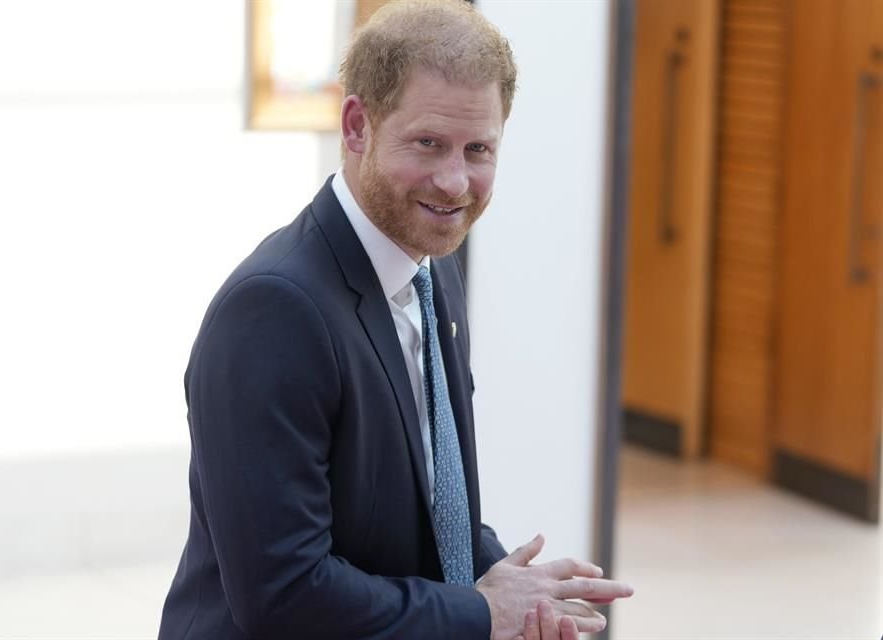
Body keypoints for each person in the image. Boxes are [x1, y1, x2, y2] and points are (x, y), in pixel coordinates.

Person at [158, 1, 633, 638]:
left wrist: (519, 589)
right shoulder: (273, 310)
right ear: (357, 126)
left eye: (479, 149)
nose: (455, 182)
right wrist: (483, 610)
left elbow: (429, 509)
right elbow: (284, 594)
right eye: (429, 144)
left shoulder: (433, 267)